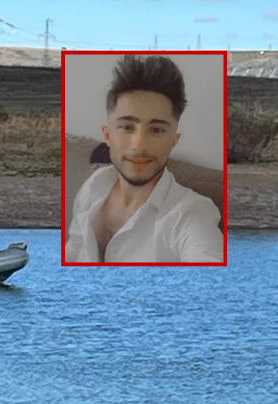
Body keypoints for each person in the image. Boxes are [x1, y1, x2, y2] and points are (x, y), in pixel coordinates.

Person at [65, 54, 223, 263]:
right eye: (127, 127)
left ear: (173, 141)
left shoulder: (191, 214)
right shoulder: (94, 185)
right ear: (107, 136)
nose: (139, 145)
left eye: (156, 130)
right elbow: (73, 253)